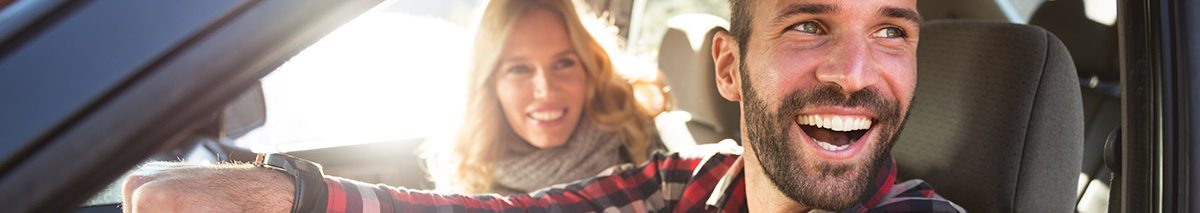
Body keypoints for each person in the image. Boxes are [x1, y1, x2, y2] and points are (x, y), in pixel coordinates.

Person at [122, 0, 966, 212]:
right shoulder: (695, 180)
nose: (855, 73)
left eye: (893, 31)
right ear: (731, 68)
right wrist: (292, 195)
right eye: (811, 24)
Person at [424, 0, 662, 195]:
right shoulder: (470, 183)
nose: (546, 90)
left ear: (589, 69)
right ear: (490, 84)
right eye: (519, 69)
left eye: (563, 63)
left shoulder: (642, 143)